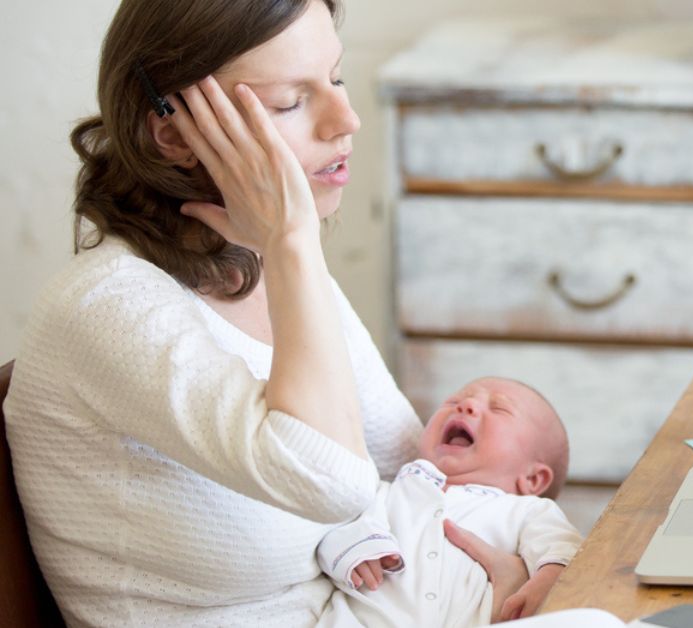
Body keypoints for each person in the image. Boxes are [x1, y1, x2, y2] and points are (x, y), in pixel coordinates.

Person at [2, 1, 527, 625]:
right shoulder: (109, 308)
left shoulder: (261, 267)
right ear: (172, 134)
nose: (346, 119)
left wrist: (519, 562)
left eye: (334, 77)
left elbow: (407, 470)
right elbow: (336, 484)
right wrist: (292, 243)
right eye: (288, 101)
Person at [316, 377, 582, 627]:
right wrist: (355, 551)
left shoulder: (527, 511)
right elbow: (334, 529)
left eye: (499, 408)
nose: (466, 406)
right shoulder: (390, 491)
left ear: (533, 478)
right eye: (453, 403)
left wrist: (549, 578)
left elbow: (563, 548)